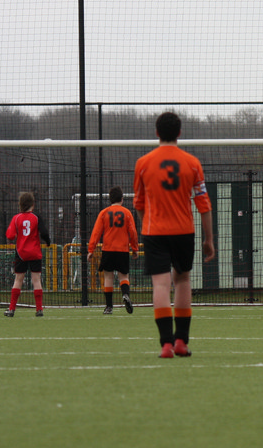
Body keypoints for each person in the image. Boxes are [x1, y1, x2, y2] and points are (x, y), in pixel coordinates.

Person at [133, 112, 215, 358]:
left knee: (160, 284)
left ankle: (166, 345)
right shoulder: (192, 163)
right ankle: (181, 342)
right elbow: (204, 205)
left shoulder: (143, 163)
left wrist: (146, 225)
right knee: (182, 281)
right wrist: (209, 239)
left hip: (154, 232)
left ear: (157, 133)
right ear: (179, 133)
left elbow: (138, 203)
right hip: (184, 231)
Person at [87, 186, 139, 315]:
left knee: (108, 277)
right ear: (122, 199)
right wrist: (135, 248)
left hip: (108, 249)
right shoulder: (127, 213)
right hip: (123, 249)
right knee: (124, 276)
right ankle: (125, 294)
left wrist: (91, 249)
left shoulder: (104, 213)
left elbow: (96, 232)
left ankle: (109, 306)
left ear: (110, 199)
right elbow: (133, 232)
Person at [4, 191, 51, 317]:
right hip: (35, 253)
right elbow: (44, 232)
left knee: (18, 280)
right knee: (36, 280)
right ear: (32, 204)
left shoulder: (16, 218)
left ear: (20, 204)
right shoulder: (36, 217)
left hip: (21, 253)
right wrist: (48, 242)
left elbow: (10, 235)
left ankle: (11, 309)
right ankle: (39, 309)